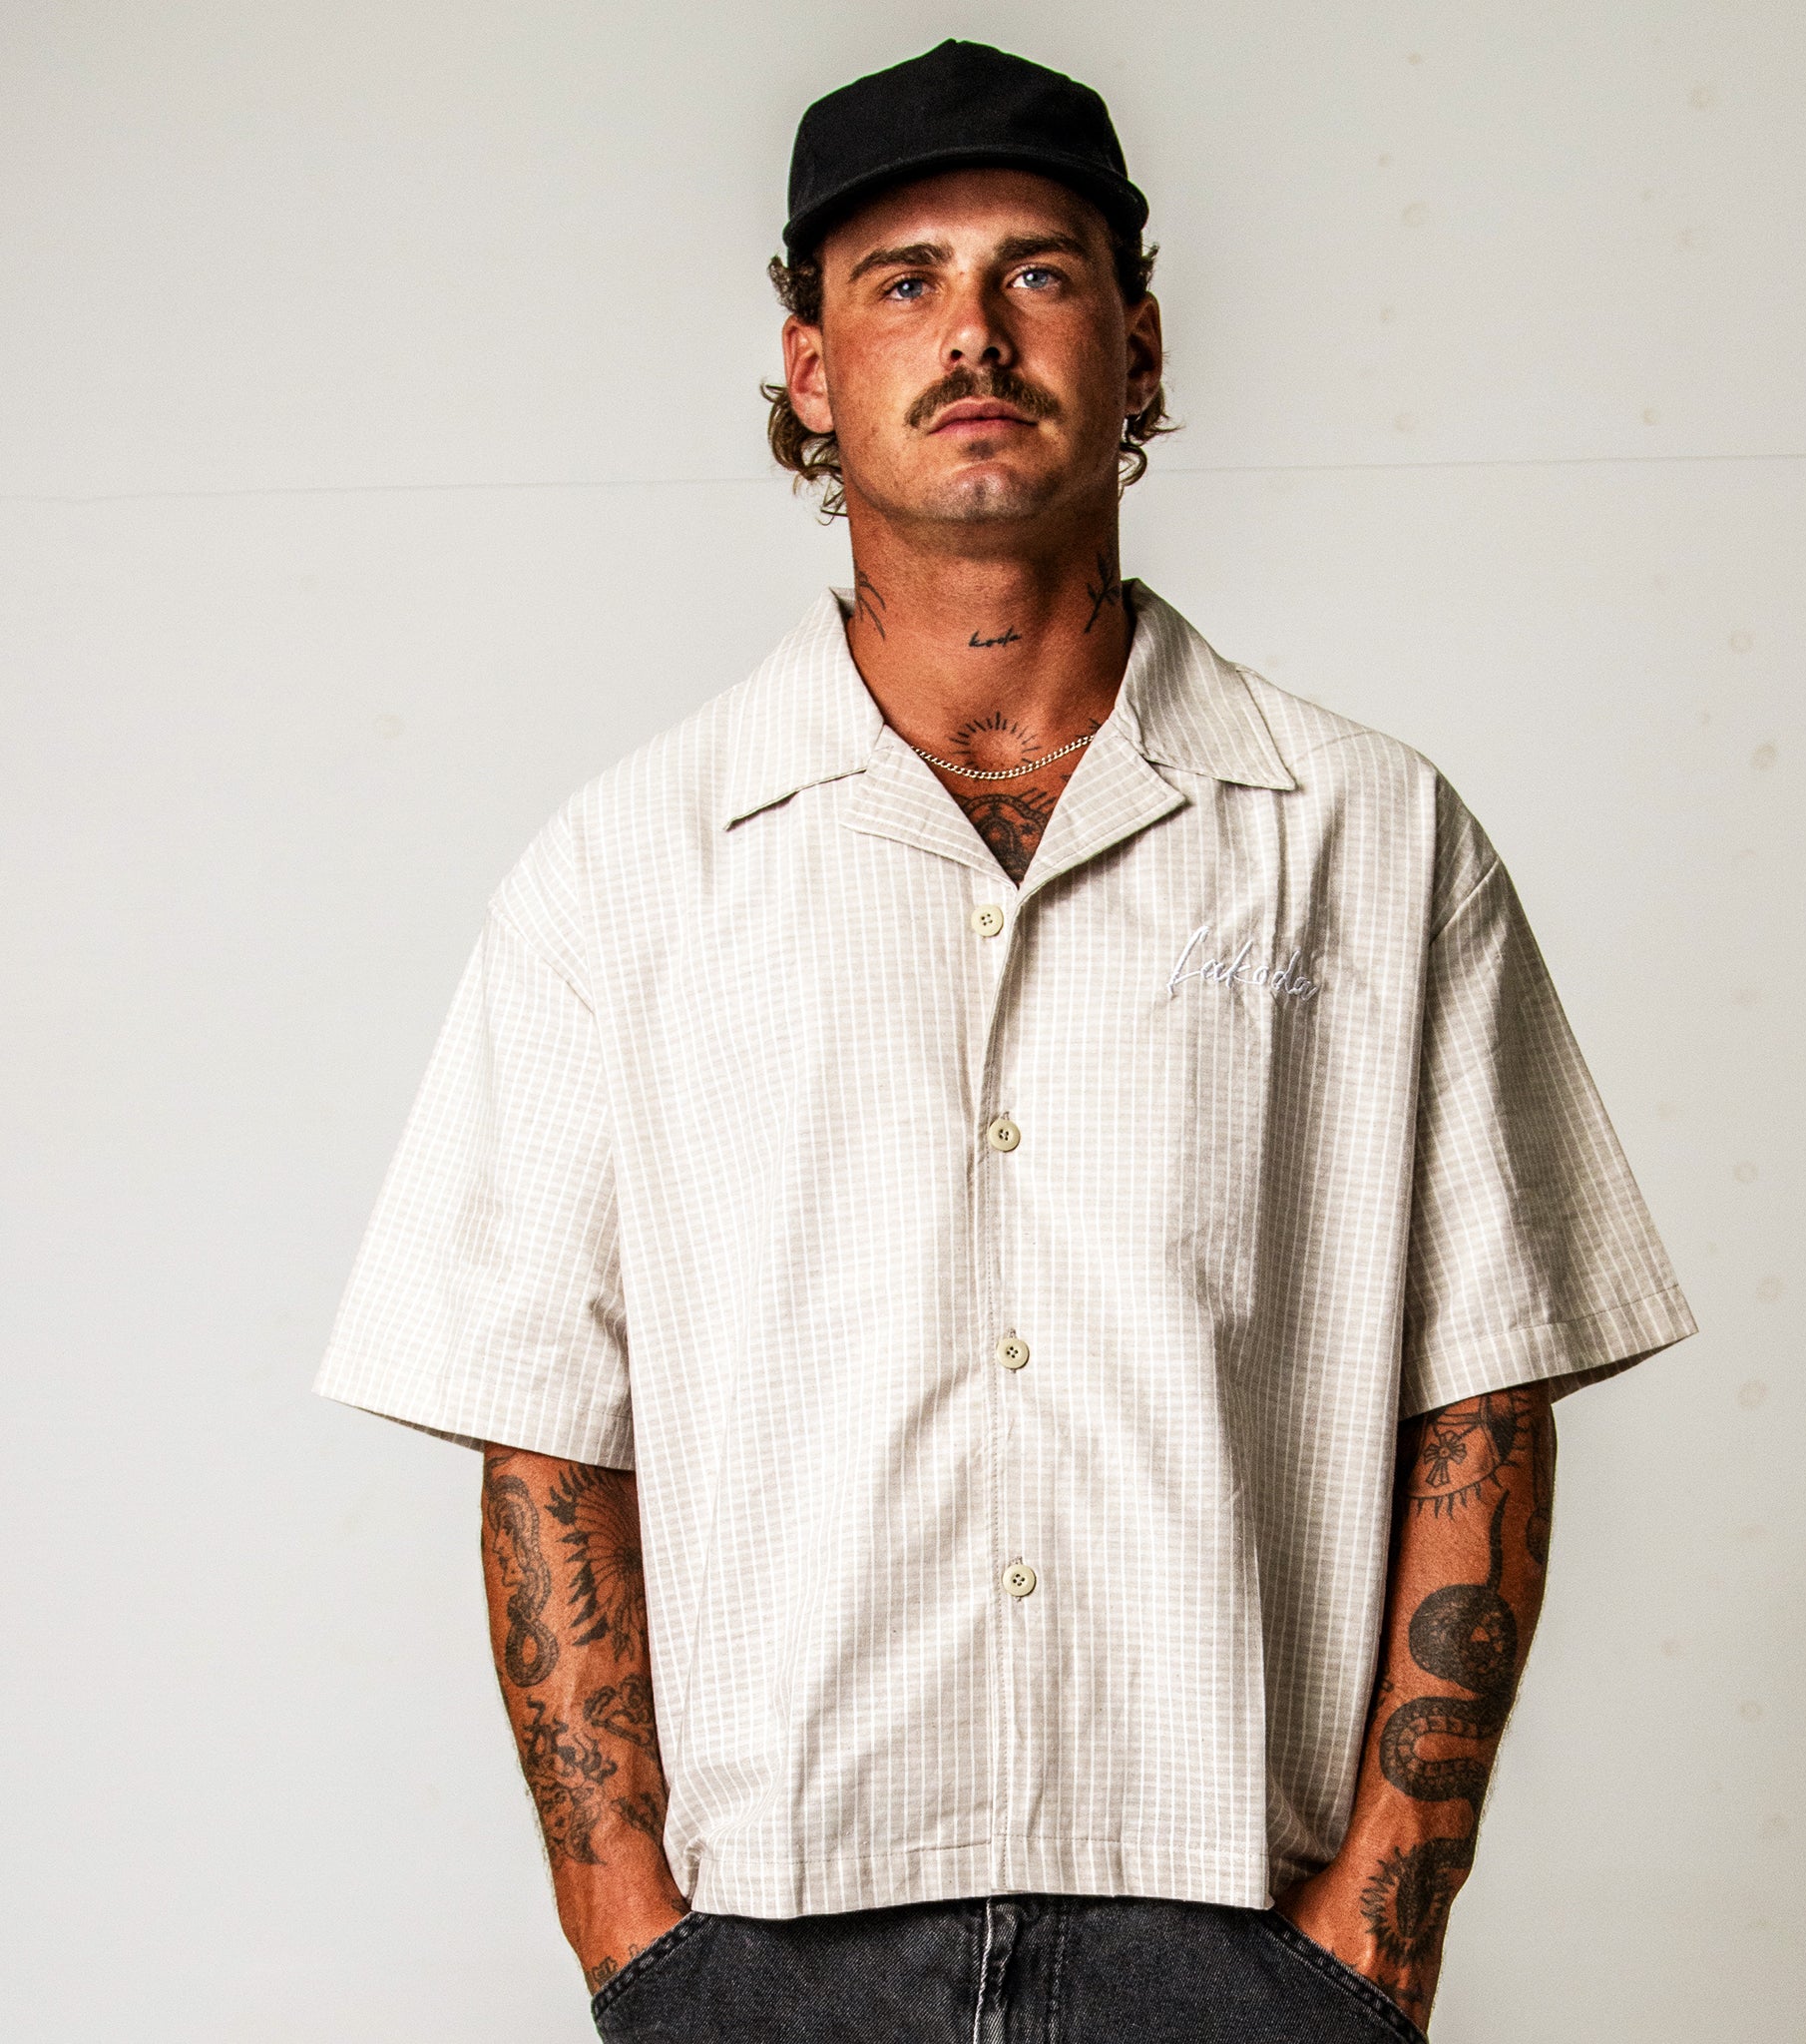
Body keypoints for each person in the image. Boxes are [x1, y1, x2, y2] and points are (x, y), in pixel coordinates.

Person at [316, 38, 1696, 2042]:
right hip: (772, 1944)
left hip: (1234, 1932)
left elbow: (1481, 1391)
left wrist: (1375, 1929)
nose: (973, 331)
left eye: (1038, 274)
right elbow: (543, 1426)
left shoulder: (1372, 843)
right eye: (902, 279)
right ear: (811, 371)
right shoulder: (624, 876)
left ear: (1136, 351)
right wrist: (639, 1936)